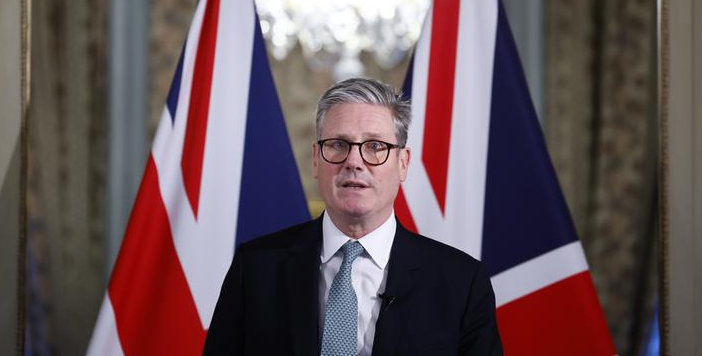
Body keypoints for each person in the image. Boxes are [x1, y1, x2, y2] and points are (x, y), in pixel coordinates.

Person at [203, 77, 503, 355]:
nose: (354, 161)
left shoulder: (462, 282)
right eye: (338, 145)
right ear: (316, 160)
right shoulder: (255, 267)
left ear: (402, 163)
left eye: (375, 146)